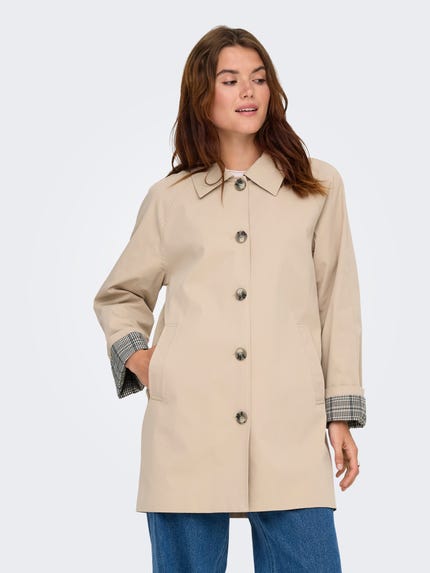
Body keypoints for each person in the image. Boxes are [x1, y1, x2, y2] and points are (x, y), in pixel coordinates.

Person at [93, 25, 366, 572]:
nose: (248, 91)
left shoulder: (317, 186)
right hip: (186, 428)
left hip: (290, 423)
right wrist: (145, 362)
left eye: (259, 79)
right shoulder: (170, 199)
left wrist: (340, 414)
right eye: (230, 79)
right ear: (202, 95)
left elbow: (337, 303)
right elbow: (120, 295)